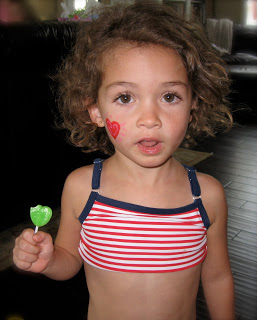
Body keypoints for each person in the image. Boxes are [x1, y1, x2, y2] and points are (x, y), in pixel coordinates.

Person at [13, 2, 235, 319]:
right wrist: (48, 260)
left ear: (192, 105)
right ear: (96, 111)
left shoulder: (206, 196)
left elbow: (217, 277)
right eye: (125, 97)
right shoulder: (83, 188)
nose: (150, 119)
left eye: (169, 96)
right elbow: (69, 261)